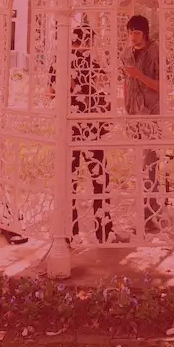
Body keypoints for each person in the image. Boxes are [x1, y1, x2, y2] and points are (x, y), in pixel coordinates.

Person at [49, 26, 115, 243]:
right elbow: (103, 84)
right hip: (88, 128)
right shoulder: (86, 61)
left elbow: (50, 92)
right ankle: (103, 229)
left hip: (67, 129)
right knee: (100, 178)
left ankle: (70, 231)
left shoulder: (57, 62)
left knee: (70, 179)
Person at [121, 14, 162, 233]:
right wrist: (126, 108)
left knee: (150, 165)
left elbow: (161, 86)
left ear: (145, 33)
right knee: (137, 165)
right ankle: (141, 210)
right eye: (130, 32)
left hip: (152, 114)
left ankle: (151, 214)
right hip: (133, 114)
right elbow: (125, 83)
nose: (132, 37)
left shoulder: (156, 51)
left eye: (136, 32)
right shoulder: (126, 53)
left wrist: (139, 75)